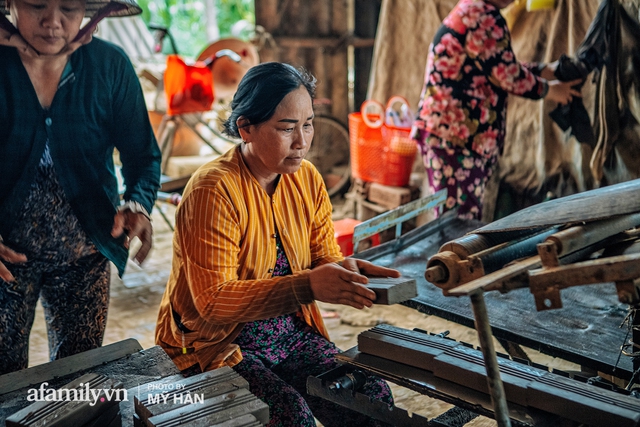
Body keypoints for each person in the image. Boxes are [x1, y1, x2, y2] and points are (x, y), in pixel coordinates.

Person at [155, 62, 399, 426]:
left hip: (291, 335)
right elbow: (211, 302)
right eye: (286, 128)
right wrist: (308, 285)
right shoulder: (214, 189)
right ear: (246, 128)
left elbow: (322, 254)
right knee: (290, 417)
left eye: (308, 124)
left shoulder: (307, 179)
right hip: (218, 344)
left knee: (371, 395)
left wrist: (342, 270)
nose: (301, 142)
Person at [0, 0, 161, 375]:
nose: (52, 22)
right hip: (5, 260)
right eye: (36, 4)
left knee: (78, 376)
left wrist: (138, 203)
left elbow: (142, 155)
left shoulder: (109, 65)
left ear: (92, 14)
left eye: (70, 8)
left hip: (86, 253)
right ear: (10, 4)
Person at [411, 0, 582, 220]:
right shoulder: (483, 16)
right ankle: (454, 255)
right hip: (455, 137)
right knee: (459, 222)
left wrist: (546, 70)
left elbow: (496, 63)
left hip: (449, 134)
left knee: (456, 217)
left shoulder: (472, 10)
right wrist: (551, 91)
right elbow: (507, 76)